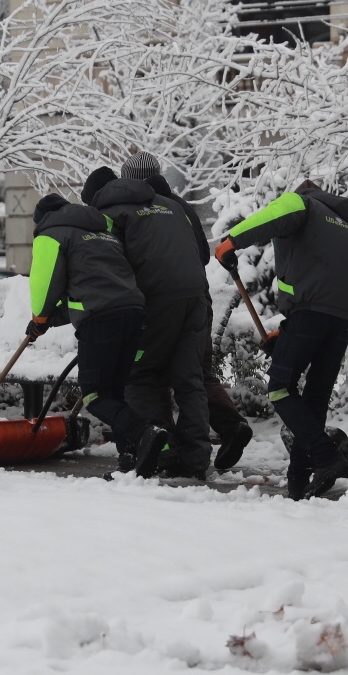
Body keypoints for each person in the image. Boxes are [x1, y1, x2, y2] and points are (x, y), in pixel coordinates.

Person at [214, 180, 348, 499]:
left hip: (311, 309)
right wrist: (286, 334)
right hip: (343, 315)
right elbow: (324, 277)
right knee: (315, 394)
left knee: (281, 387)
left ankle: (326, 457)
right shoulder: (346, 226)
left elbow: (269, 218)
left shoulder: (304, 203)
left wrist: (231, 242)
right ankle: (300, 476)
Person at [120, 151, 254, 471]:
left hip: (162, 303)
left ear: (131, 180)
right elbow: (202, 256)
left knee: (151, 373)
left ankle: (163, 443)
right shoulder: (180, 206)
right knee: (194, 374)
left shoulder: (140, 207)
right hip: (198, 301)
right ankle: (224, 431)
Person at [82, 166, 213, 477]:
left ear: (95, 198)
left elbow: (110, 263)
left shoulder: (109, 213)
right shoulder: (169, 205)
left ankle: (161, 451)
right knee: (188, 377)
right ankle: (195, 457)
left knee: (140, 376)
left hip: (157, 300)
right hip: (196, 296)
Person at [27, 192, 168, 477]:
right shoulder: (104, 235)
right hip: (133, 314)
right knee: (114, 393)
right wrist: (48, 322)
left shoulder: (51, 234)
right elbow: (88, 290)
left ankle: (145, 432)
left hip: (101, 321)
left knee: (94, 394)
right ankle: (130, 460)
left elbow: (45, 284)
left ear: (42, 219)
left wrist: (39, 318)